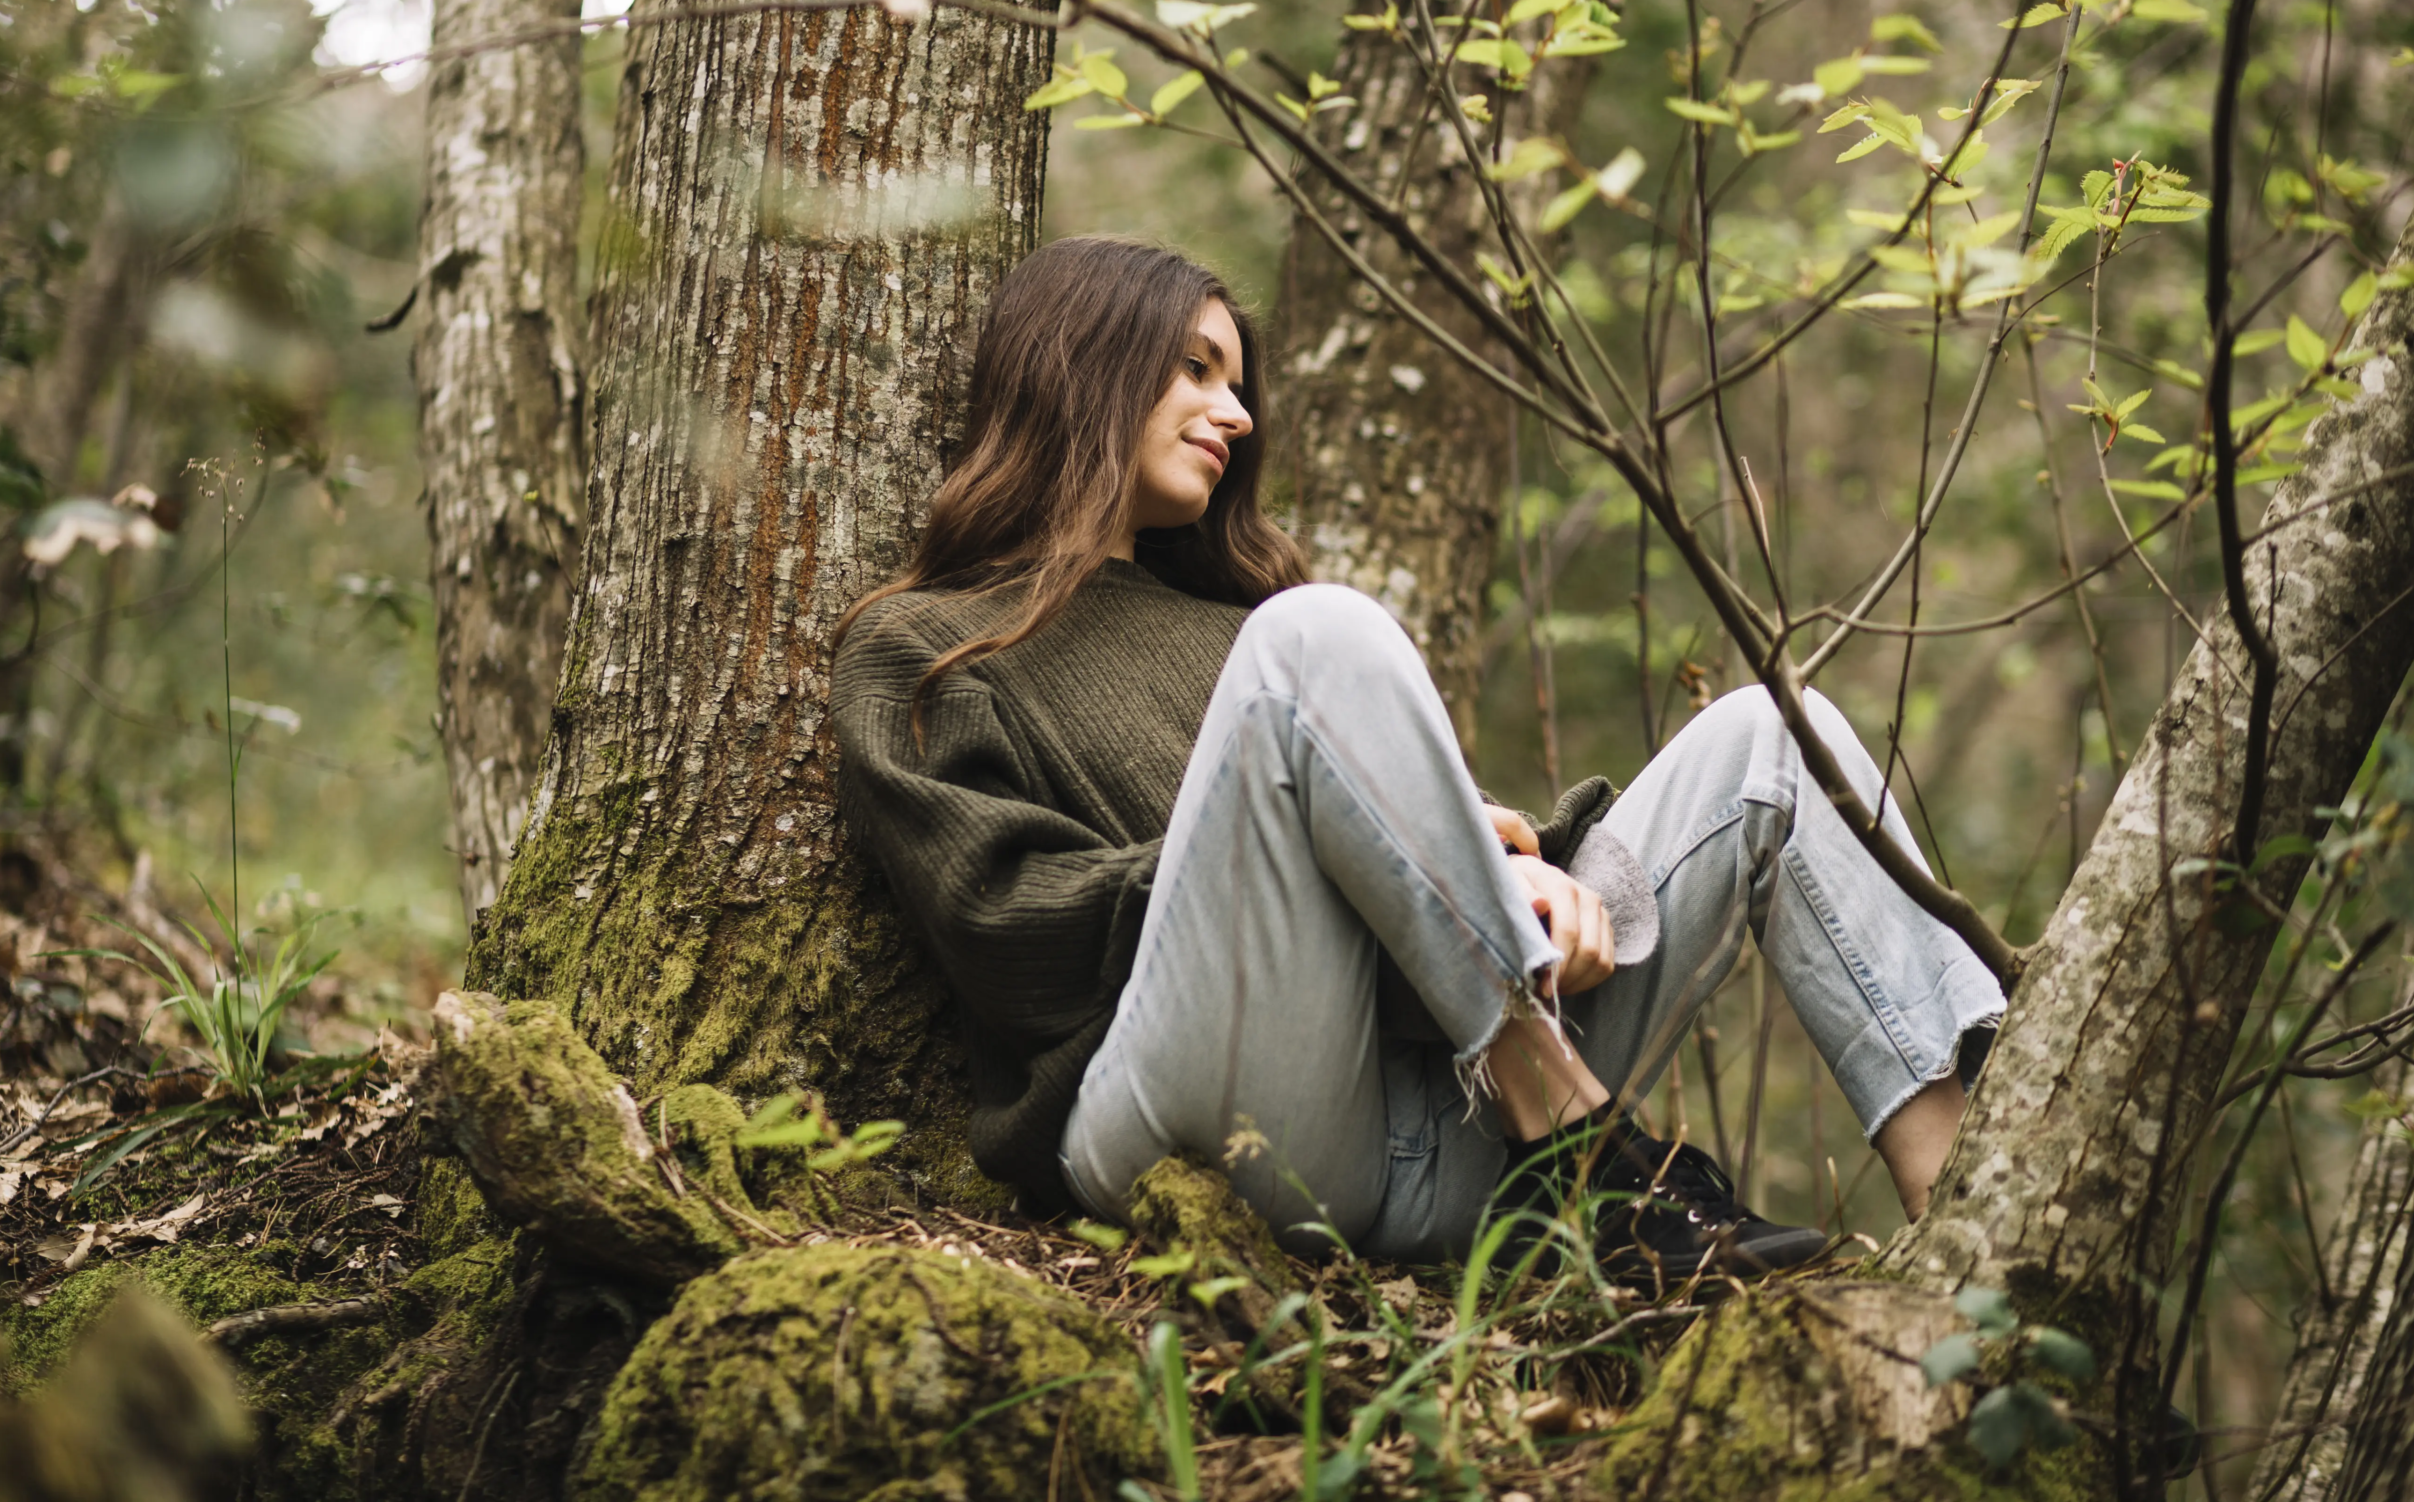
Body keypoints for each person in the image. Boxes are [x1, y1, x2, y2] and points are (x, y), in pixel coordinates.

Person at [829, 236, 2004, 1282]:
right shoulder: (929, 644)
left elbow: (1423, 854)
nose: (1235, 416)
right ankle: (1584, 1143)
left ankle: (1976, 1247)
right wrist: (1343, 873)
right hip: (1186, 1125)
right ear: (1078, 363)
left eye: (1236, 384)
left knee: (1772, 733)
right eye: (1195, 369)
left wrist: (1529, 866)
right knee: (1319, 631)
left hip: (1440, 1137)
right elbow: (1001, 924)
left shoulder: (1243, 627)